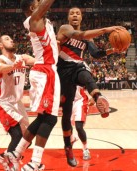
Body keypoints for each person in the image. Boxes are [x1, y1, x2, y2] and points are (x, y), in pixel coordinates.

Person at [56, 7, 125, 167]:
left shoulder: (88, 39)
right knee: (66, 116)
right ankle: (68, 147)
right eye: (72, 13)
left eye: (77, 13)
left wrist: (112, 50)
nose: (74, 15)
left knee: (85, 73)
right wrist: (105, 30)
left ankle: (98, 97)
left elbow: (96, 54)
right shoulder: (65, 29)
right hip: (63, 72)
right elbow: (79, 35)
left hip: (77, 67)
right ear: (68, 17)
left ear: (81, 18)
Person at [5, 0, 60, 170]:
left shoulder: (39, 20)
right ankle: (35, 163)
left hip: (43, 71)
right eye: (38, 1)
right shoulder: (34, 20)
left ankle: (16, 153)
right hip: (46, 72)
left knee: (43, 117)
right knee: (50, 119)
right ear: (32, 7)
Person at [0, 35, 31, 171]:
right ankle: (10, 165)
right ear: (0, 45)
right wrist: (13, 66)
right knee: (17, 135)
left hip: (17, 102)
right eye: (7, 39)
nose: (11, 40)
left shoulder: (22, 58)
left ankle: (3, 157)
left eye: (11, 39)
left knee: (28, 136)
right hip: (3, 102)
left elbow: (38, 61)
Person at [70, 86, 94, 161]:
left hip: (80, 101)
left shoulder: (79, 74)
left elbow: (89, 82)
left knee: (79, 127)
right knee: (67, 126)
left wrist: (94, 96)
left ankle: (85, 149)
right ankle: (72, 139)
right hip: (68, 102)